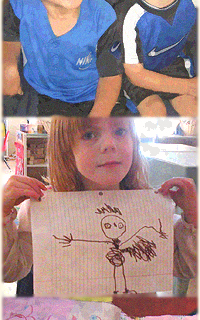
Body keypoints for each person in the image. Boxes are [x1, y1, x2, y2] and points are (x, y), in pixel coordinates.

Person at [3, 117, 197, 295]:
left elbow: (187, 268)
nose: (109, 144)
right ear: (66, 150)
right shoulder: (41, 209)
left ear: (134, 142)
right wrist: (3, 214)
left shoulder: (152, 209)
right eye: (89, 135)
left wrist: (193, 217)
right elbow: (9, 272)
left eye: (120, 131)